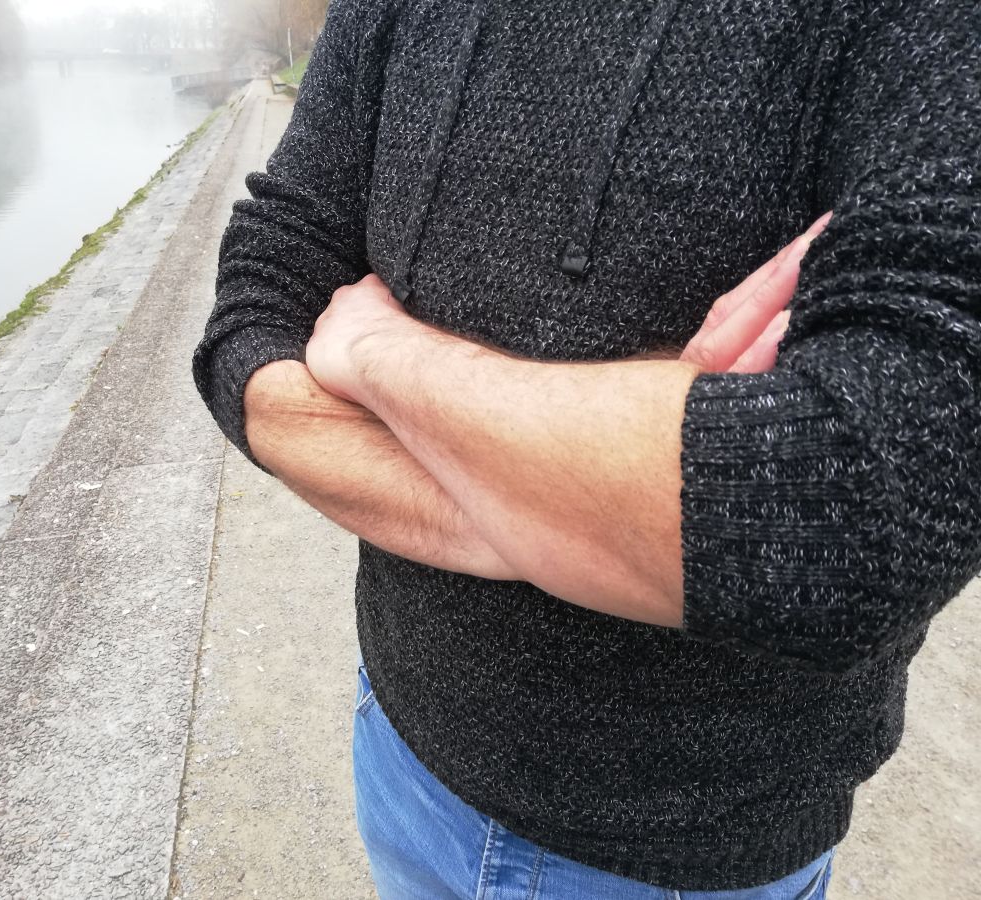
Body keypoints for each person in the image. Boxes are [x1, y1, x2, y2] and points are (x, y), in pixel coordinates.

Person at [193, 0, 980, 897]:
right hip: (399, 751)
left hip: (685, 858)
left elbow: (856, 517)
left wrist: (378, 353)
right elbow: (254, 317)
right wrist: (593, 509)